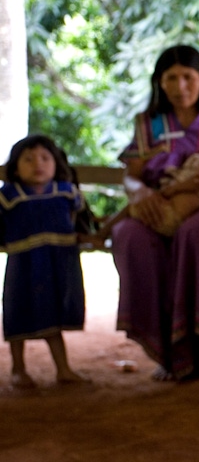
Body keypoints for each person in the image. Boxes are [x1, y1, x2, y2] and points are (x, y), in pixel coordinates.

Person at [112, 45, 199, 382]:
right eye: (171, 78)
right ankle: (169, 350)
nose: (180, 86)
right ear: (159, 83)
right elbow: (132, 175)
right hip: (160, 203)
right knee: (128, 235)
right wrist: (142, 193)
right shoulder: (148, 124)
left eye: (188, 77)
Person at [1, 134, 88, 387]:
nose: (37, 164)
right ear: (15, 167)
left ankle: (63, 369)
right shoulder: (8, 196)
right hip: (23, 265)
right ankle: (18, 369)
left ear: (56, 163)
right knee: (18, 312)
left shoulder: (66, 192)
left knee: (53, 314)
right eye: (28, 159)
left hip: (58, 264)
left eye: (45, 158)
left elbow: (82, 218)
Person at [95, 137, 199, 240]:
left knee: (131, 210)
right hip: (177, 216)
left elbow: (198, 181)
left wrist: (172, 190)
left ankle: (100, 233)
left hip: (168, 212)